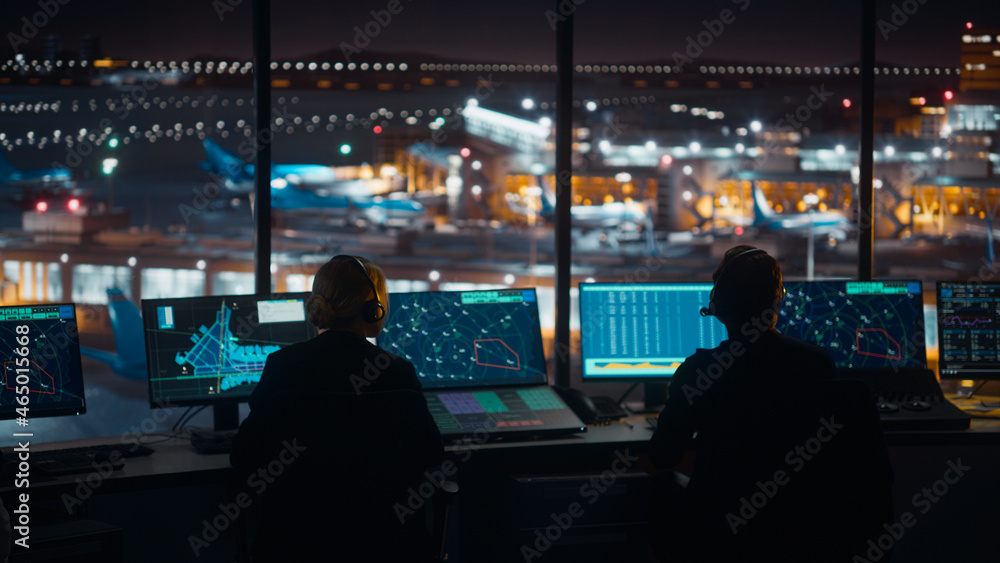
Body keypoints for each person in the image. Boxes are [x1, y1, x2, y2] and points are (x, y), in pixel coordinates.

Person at [647, 245, 894, 562]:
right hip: (803, 533)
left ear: (718, 303)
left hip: (727, 538)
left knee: (662, 485)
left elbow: (663, 455)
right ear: (777, 300)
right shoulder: (816, 363)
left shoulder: (701, 372)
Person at [230, 255, 443, 561]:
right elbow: (432, 453)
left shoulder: (284, 366)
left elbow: (242, 455)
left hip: (296, 544)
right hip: (386, 546)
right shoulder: (397, 372)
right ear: (374, 309)